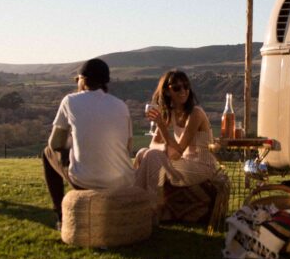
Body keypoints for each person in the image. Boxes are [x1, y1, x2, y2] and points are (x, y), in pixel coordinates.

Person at [42, 58, 134, 230]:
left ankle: (61, 216)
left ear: (82, 80)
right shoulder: (121, 105)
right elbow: (128, 148)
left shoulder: (70, 101)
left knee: (47, 154)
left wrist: (72, 142)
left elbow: (54, 143)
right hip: (122, 180)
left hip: (87, 181)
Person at [134, 70, 224, 225]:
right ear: (167, 92)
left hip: (201, 166)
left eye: (186, 87)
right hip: (184, 163)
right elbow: (152, 144)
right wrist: (164, 149)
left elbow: (178, 151)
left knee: (152, 156)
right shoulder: (171, 113)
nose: (183, 91)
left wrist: (161, 126)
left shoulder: (196, 113)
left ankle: (148, 208)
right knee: (143, 152)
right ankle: (138, 203)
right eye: (177, 88)